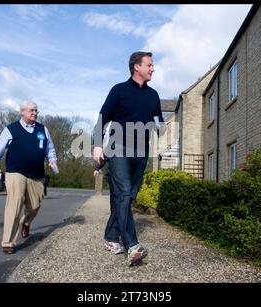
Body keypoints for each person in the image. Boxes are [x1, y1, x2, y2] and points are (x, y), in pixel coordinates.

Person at [93, 51, 164, 266]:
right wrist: (97, 145)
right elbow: (102, 118)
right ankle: (132, 244)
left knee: (128, 195)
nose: (153, 68)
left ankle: (110, 237)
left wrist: (162, 129)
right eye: (149, 65)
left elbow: (158, 123)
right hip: (119, 148)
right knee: (124, 193)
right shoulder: (119, 90)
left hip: (141, 151)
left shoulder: (153, 95)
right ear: (136, 67)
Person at [0, 101, 58, 254]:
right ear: (22, 112)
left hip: (36, 174)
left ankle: (26, 222)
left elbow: (49, 148)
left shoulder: (42, 129)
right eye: (31, 110)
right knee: (14, 204)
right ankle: (8, 242)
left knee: (35, 206)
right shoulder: (11, 129)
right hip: (15, 172)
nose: (35, 113)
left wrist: (52, 159)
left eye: (36, 111)